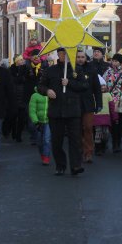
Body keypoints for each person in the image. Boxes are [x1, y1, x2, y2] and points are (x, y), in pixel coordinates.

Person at [38, 47, 87, 176]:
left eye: (67, 53)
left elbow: (84, 86)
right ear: (58, 54)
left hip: (73, 110)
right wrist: (47, 91)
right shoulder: (50, 70)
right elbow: (41, 86)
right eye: (62, 53)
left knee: (75, 140)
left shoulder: (77, 70)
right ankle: (60, 165)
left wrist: (69, 82)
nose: (65, 56)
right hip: (56, 111)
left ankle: (76, 165)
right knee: (57, 140)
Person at [75, 50, 102, 163]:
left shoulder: (91, 70)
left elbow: (97, 88)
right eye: (78, 57)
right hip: (74, 103)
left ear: (86, 58)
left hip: (88, 104)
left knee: (88, 128)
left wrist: (99, 103)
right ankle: (78, 151)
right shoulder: (70, 69)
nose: (80, 59)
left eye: (82, 57)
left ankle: (89, 152)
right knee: (76, 130)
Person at [23, 48, 50, 145]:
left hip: (42, 96)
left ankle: (42, 136)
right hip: (29, 96)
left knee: (43, 117)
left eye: (38, 56)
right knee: (31, 119)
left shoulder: (46, 67)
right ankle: (34, 136)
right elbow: (21, 79)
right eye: (34, 57)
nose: (36, 58)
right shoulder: (26, 67)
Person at [103, 53, 122, 152]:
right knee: (111, 122)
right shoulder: (107, 72)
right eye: (113, 60)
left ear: (120, 62)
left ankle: (117, 143)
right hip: (109, 100)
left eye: (116, 61)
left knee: (119, 123)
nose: (114, 62)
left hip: (120, 101)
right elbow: (103, 84)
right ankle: (111, 141)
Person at [93, 77, 117, 156]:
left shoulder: (108, 95)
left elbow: (112, 107)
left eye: (104, 85)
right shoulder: (94, 95)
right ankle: (98, 149)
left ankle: (103, 145)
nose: (102, 87)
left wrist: (115, 117)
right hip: (97, 117)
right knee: (98, 133)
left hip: (106, 117)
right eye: (100, 86)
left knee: (106, 133)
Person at [28, 85, 51, 166]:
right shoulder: (34, 96)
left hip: (49, 121)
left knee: (47, 140)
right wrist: (36, 122)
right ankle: (43, 154)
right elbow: (32, 110)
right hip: (39, 121)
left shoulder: (51, 94)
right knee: (39, 141)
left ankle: (46, 157)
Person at [7, 55, 28, 142]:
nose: (22, 61)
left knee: (22, 119)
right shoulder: (10, 70)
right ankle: (13, 132)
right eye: (20, 60)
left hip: (23, 97)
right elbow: (10, 81)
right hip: (13, 97)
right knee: (13, 117)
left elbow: (26, 80)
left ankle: (18, 135)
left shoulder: (26, 69)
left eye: (23, 59)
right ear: (16, 61)